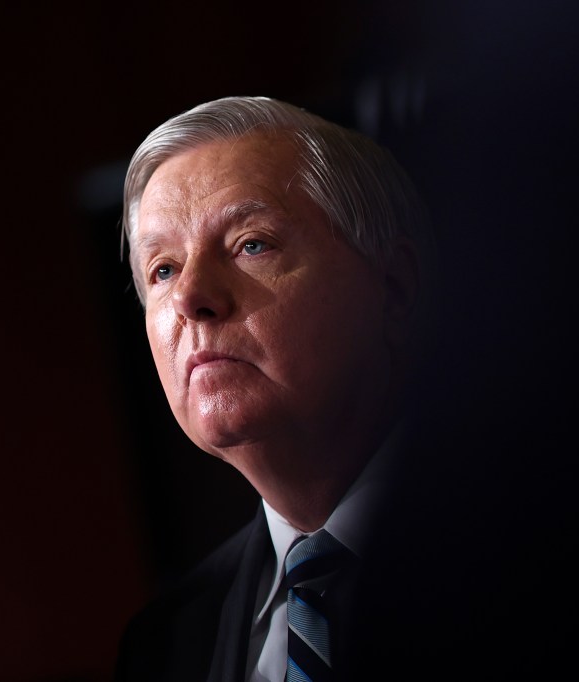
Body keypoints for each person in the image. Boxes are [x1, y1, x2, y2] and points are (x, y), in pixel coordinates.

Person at [113, 96, 441, 682]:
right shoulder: (163, 645)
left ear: (393, 289)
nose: (189, 297)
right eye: (162, 268)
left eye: (251, 244)